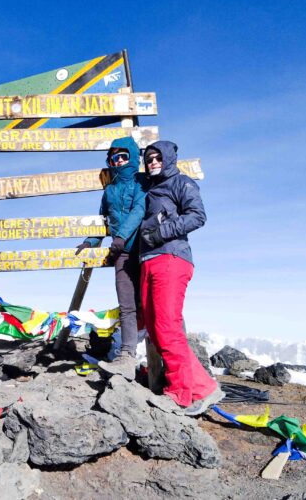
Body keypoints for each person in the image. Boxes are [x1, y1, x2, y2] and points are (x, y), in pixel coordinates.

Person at [139, 141, 224, 416]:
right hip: (148, 261)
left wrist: (161, 233)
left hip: (172, 259)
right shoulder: (149, 189)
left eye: (157, 157)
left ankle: (179, 394)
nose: (152, 162)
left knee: (166, 326)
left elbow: (198, 216)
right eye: (149, 158)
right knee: (153, 327)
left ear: (169, 159)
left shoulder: (181, 182)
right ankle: (203, 387)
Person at [76, 136, 147, 380]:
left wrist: (121, 238)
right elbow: (104, 222)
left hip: (145, 250)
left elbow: (140, 210)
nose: (118, 162)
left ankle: (162, 358)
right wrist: (91, 241)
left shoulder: (142, 182)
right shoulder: (109, 191)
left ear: (133, 158)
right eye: (113, 158)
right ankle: (126, 357)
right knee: (127, 307)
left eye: (123, 157)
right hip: (122, 254)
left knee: (152, 304)